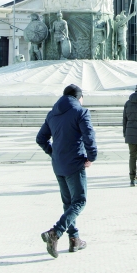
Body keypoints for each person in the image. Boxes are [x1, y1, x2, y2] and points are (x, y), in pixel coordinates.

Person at [36, 84, 97, 258]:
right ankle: (55, 233)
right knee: (79, 202)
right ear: (79, 97)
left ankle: (74, 238)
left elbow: (40, 139)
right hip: (74, 163)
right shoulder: (81, 112)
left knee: (68, 203)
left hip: (58, 165)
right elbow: (89, 136)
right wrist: (91, 157)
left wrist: (53, 152)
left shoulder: (52, 113)